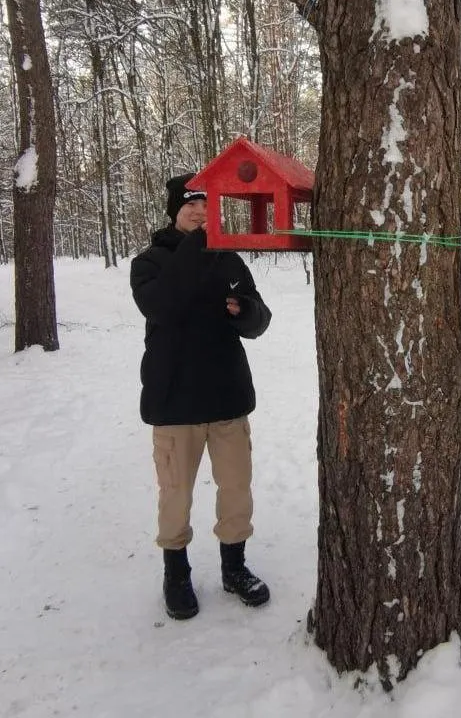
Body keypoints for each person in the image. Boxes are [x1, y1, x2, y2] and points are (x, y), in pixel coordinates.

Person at [130, 174, 274, 620]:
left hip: (226, 396)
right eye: (191, 205)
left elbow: (258, 318)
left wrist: (246, 312)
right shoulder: (149, 262)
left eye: (206, 205)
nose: (198, 212)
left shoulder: (228, 258)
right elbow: (164, 307)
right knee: (175, 493)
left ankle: (234, 567)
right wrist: (197, 247)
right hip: (174, 401)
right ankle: (176, 573)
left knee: (236, 489)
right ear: (174, 209)